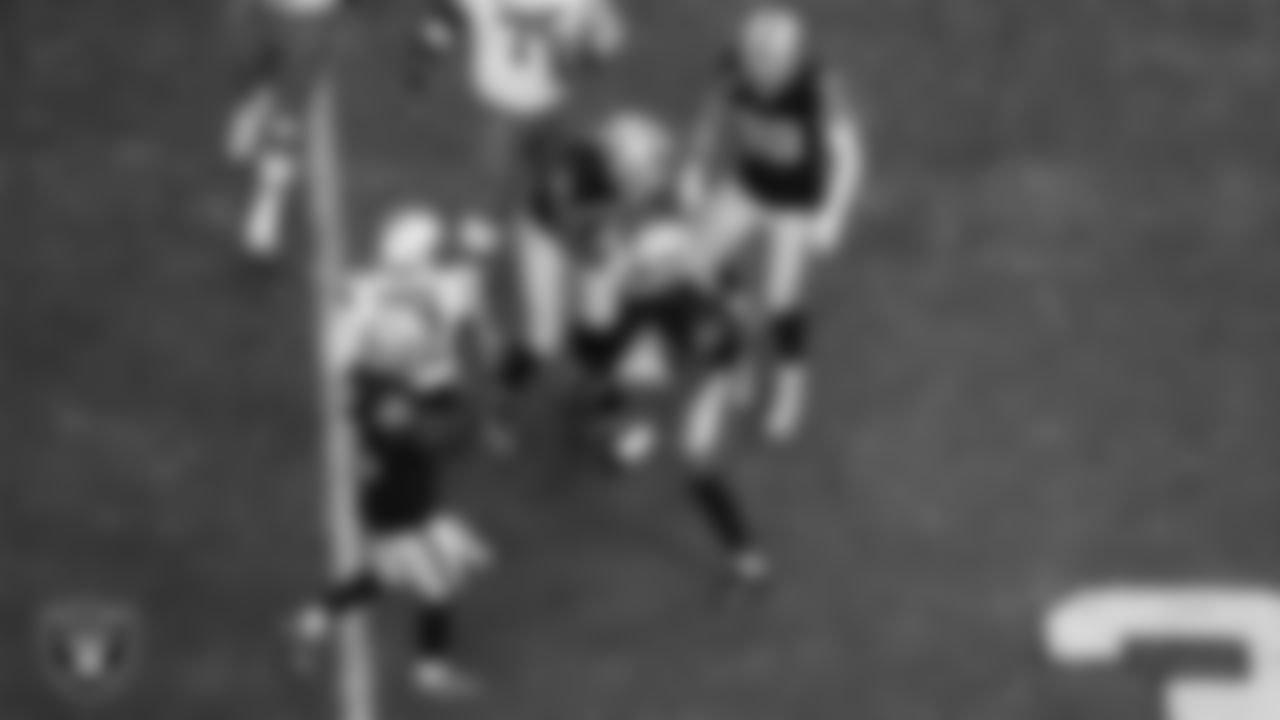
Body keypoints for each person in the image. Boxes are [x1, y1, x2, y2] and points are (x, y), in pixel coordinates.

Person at [289, 207, 498, 699]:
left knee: (383, 574)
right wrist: (468, 424)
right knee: (441, 588)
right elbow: (436, 441)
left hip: (395, 494)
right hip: (401, 505)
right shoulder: (387, 401)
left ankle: (312, 619)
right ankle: (431, 670)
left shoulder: (375, 374)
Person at [683, 3, 866, 444]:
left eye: (772, 61)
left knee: (782, 303)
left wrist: (832, 213)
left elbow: (848, 154)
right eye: (755, 58)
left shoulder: (820, 86)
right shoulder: (734, 67)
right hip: (749, 185)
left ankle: (791, 387)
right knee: (693, 266)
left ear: (792, 57)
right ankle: (737, 347)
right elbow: (711, 114)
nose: (761, 71)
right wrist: (692, 166)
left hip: (796, 203)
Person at [224, 0, 350, 258]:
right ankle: (256, 101)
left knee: (288, 119)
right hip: (257, 10)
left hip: (310, 16)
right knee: (245, 69)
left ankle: (269, 201)